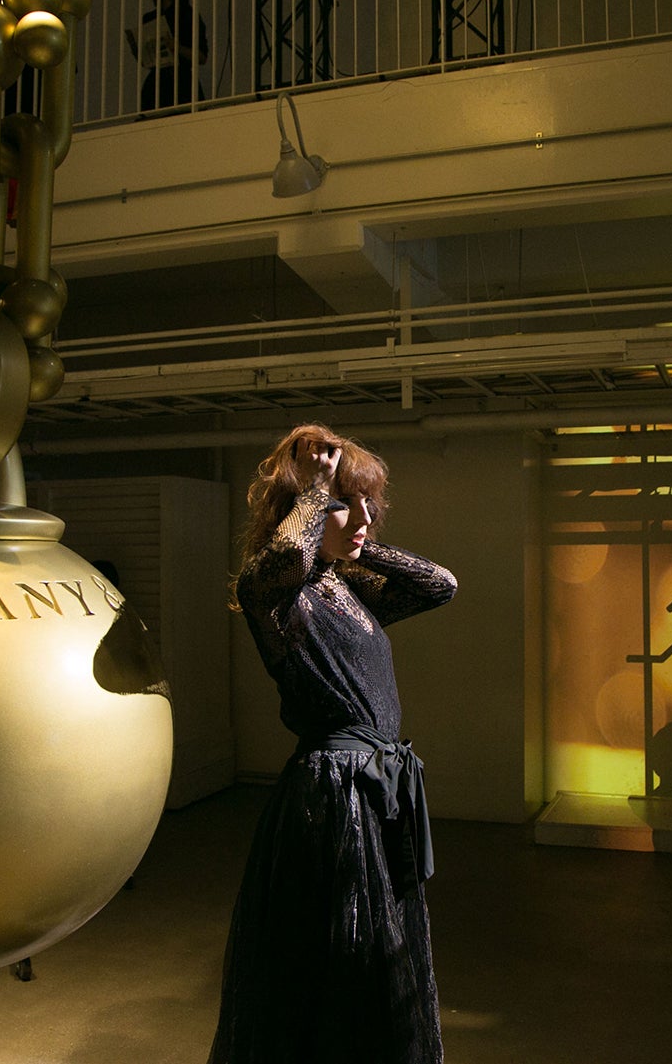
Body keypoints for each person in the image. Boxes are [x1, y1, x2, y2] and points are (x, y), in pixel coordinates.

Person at [208, 424, 457, 1064]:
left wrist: (356, 537)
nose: (366, 517)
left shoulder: (346, 587)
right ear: (303, 507)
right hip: (331, 794)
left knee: (378, 954)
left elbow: (439, 584)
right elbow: (286, 561)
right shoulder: (271, 592)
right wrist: (318, 491)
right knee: (340, 959)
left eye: (371, 502)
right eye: (351, 502)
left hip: (372, 790)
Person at [126, 1, 208, 112]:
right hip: (156, 83)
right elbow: (146, 62)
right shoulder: (150, 17)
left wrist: (177, 47)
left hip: (182, 82)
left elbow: (202, 57)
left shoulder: (187, 14)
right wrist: (138, 50)